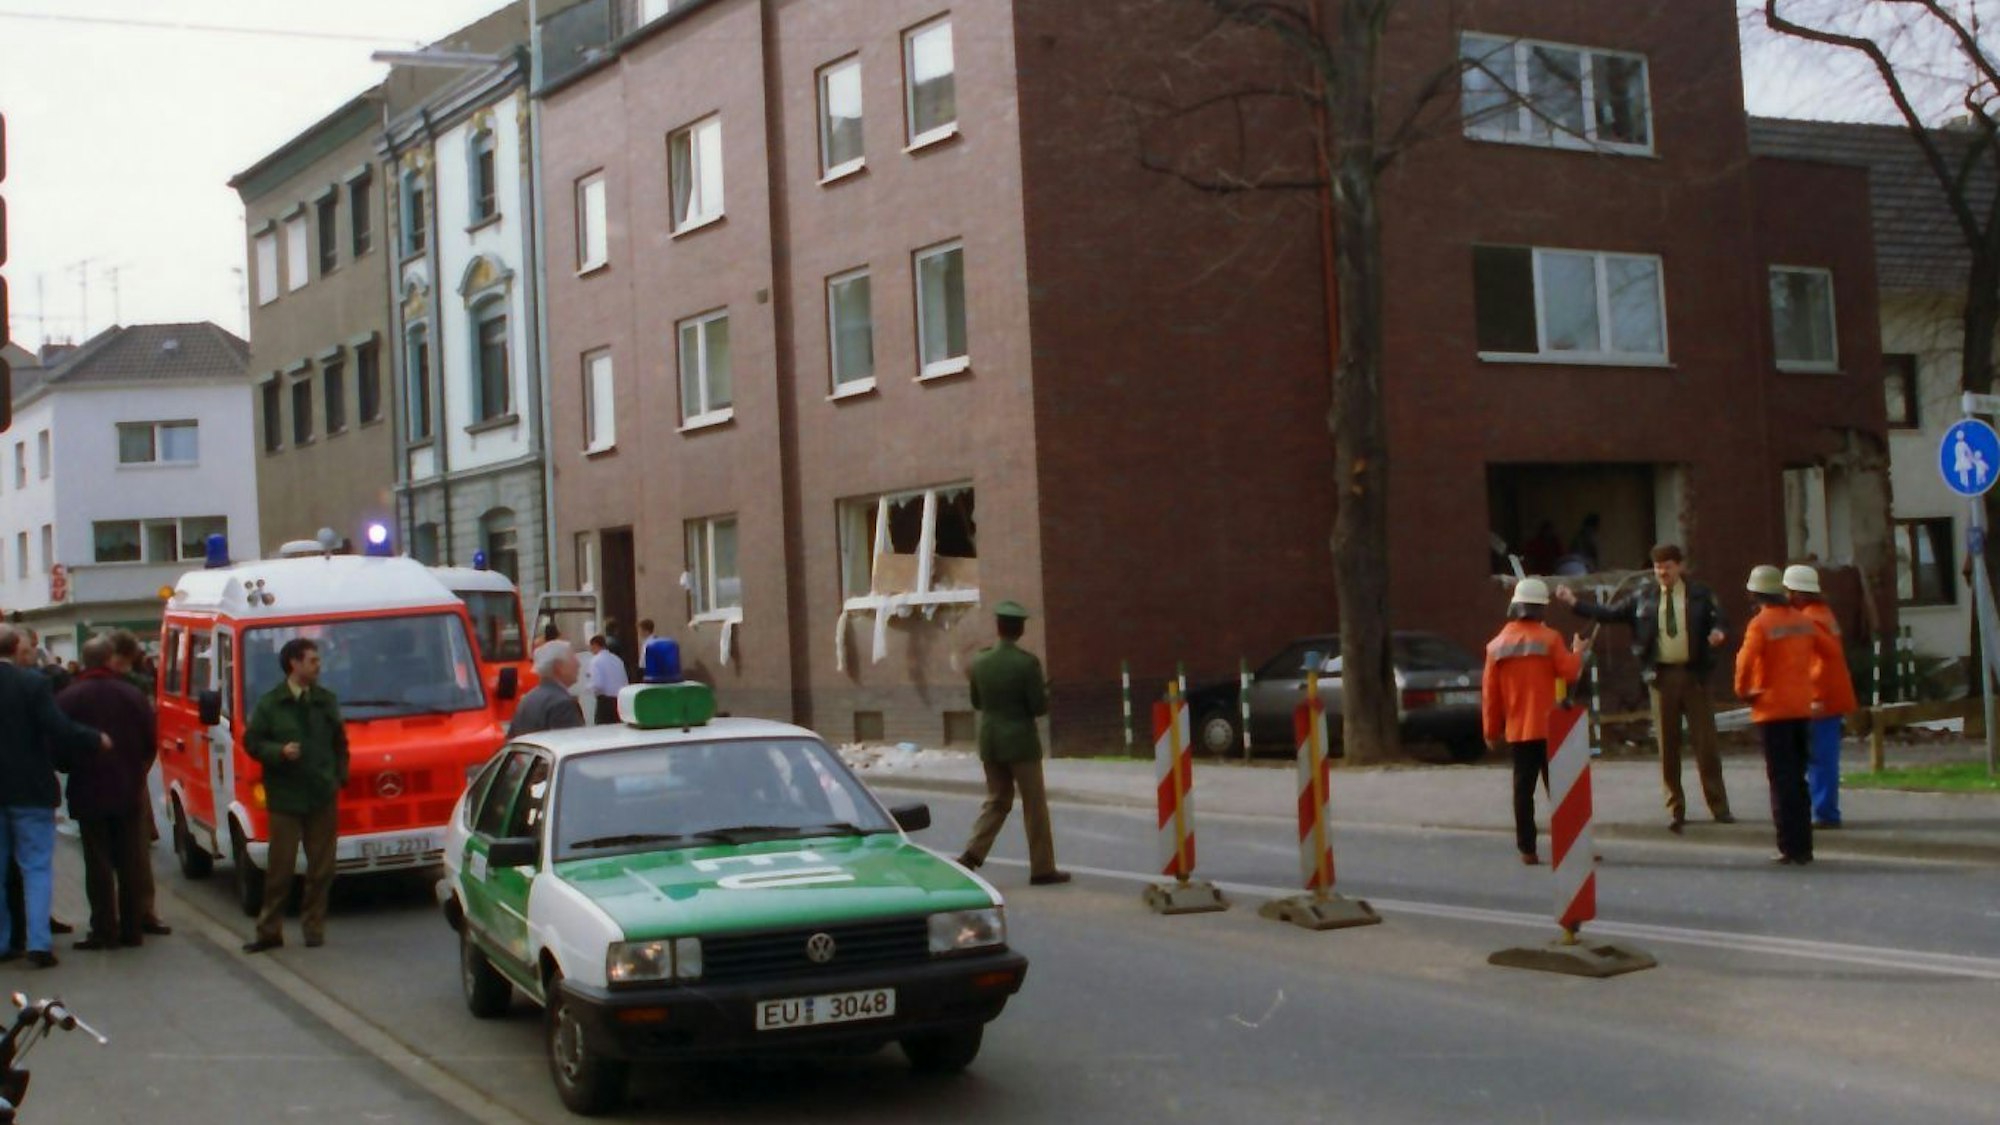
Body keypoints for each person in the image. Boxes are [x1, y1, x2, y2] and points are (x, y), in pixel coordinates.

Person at [1557, 544, 1735, 832]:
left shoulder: (1700, 595)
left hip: (1695, 677)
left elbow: (1722, 621)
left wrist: (1718, 633)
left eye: (1668, 566)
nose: (1662, 572)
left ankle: (1719, 805)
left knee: (1706, 745)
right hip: (1661, 677)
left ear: (1680, 566)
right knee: (1667, 744)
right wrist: (1574, 602)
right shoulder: (1643, 597)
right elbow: (1610, 613)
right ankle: (1675, 807)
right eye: (1658, 567)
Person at [0, 623, 111, 968]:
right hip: (30, 789)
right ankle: (38, 943)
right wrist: (95, 739)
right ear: (15, 647)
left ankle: (3, 941)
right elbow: (57, 727)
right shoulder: (32, 684)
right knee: (36, 867)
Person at [242, 638, 349, 953]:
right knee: (280, 868)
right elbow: (252, 742)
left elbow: (340, 743)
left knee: (322, 868)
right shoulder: (271, 704)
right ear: (294, 664)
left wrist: (337, 778)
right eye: (312, 660)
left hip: (321, 794)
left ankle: (313, 927)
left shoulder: (325, 701)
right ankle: (269, 930)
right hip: (286, 798)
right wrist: (278, 751)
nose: (318, 666)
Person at [954, 601, 1069, 886]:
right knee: (1034, 805)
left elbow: (977, 702)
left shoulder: (980, 661)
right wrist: (1044, 692)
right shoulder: (1027, 664)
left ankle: (971, 854)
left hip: (990, 741)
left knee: (997, 799)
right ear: (1019, 629)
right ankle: (1042, 868)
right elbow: (1038, 707)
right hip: (1020, 743)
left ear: (998, 627)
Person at [1736, 566, 1845, 865]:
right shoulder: (1803, 621)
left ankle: (1788, 847)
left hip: (1772, 710)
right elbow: (1831, 652)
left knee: (1780, 780)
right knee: (1798, 777)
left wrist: (1745, 691)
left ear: (1755, 593)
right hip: (1801, 708)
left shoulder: (1760, 624)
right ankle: (1804, 846)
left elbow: (1745, 662)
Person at [54, 638, 157, 950]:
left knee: (97, 861)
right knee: (130, 860)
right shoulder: (132, 695)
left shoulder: (69, 698)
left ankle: (103, 928)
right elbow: (150, 740)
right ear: (111, 659)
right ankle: (132, 928)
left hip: (87, 787)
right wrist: (138, 770)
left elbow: (57, 744)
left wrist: (69, 766)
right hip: (127, 787)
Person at [1482, 579, 1589, 865]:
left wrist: (1491, 731)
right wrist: (1578, 650)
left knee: (1523, 791)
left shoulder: (1496, 647)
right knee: (1562, 790)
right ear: (1541, 608)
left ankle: (1527, 849)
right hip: (1552, 727)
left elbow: (1491, 695)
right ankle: (1572, 846)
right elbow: (1569, 673)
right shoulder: (1550, 639)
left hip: (1519, 730)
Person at [1784, 564, 1857, 830]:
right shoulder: (1823, 614)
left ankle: (1825, 812)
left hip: (1820, 698)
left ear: (1796, 593)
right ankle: (1824, 810)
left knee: (1820, 758)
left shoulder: (1809, 620)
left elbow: (1819, 663)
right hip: (1830, 695)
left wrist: (1812, 696)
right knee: (1823, 756)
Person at [107, 631, 170, 936]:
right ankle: (143, 911)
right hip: (131, 773)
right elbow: (151, 735)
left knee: (106, 853)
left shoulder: (87, 684)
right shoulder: (139, 687)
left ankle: (113, 916)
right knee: (136, 851)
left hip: (105, 774)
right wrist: (142, 769)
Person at [507, 641, 586, 737]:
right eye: (573, 659)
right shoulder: (562, 704)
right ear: (559, 667)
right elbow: (573, 741)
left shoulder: (527, 699)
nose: (578, 664)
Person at [585, 634, 628, 725]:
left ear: (595, 645)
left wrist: (587, 688)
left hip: (605, 702)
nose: (591, 650)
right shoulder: (617, 659)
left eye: (591, 647)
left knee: (603, 730)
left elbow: (597, 684)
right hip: (620, 700)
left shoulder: (595, 661)